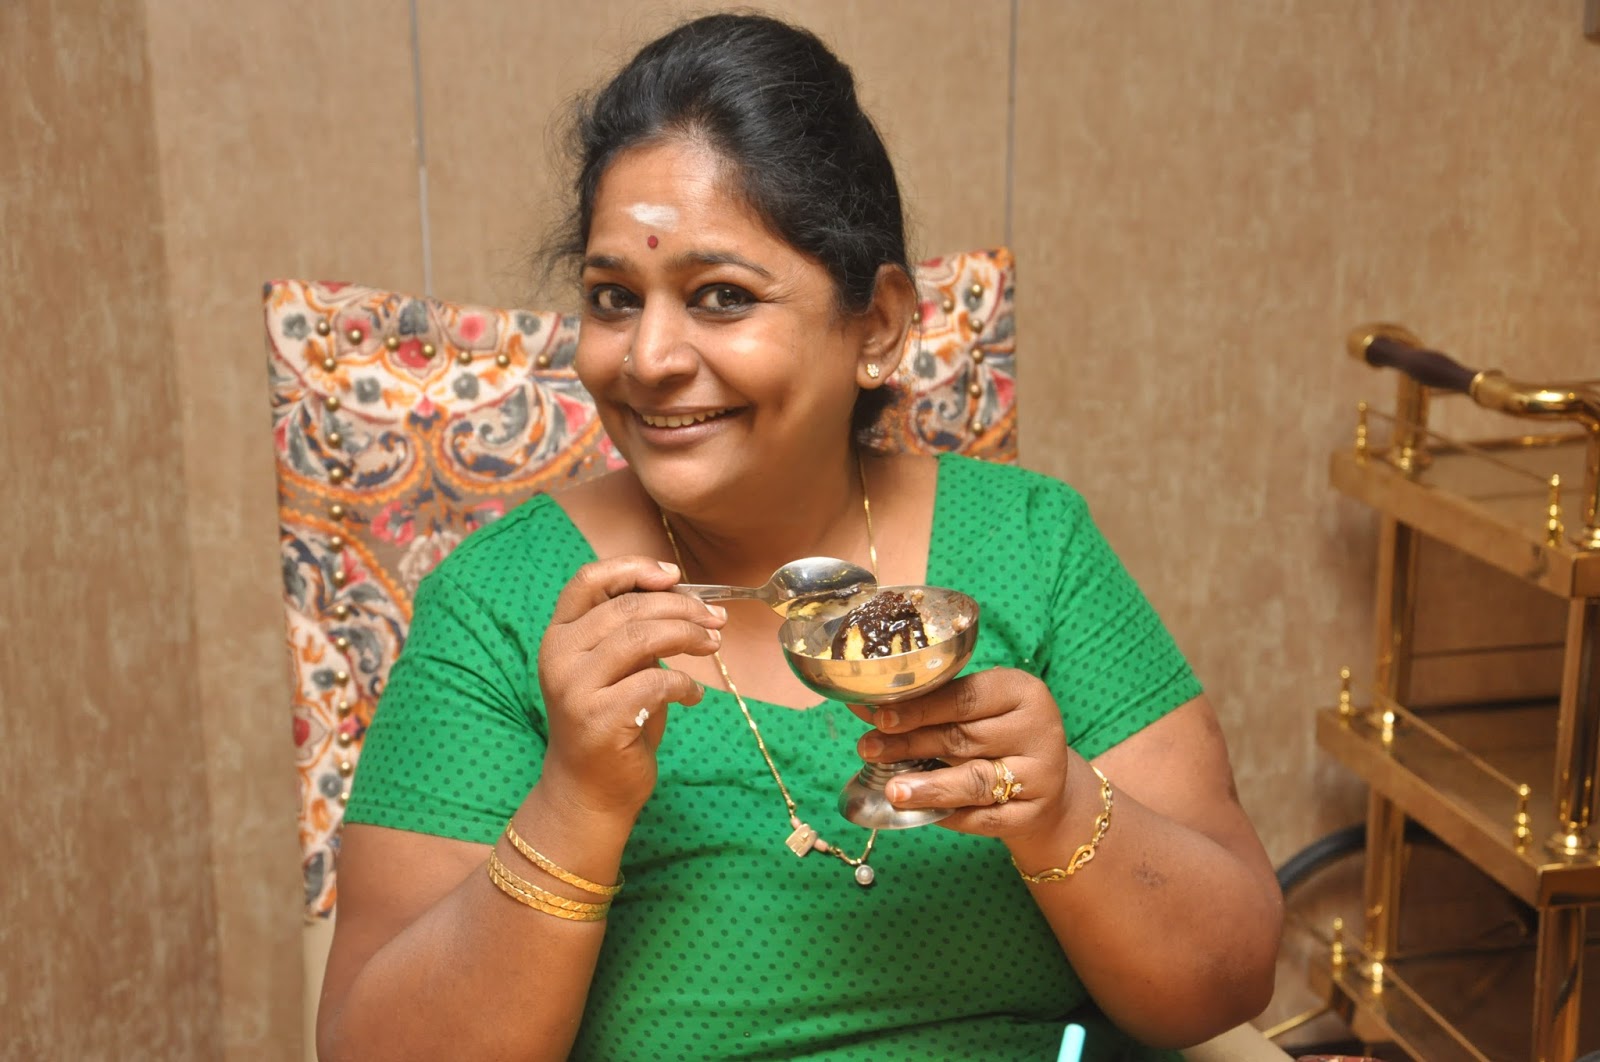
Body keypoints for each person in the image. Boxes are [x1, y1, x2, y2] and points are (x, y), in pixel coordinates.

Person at [317, 12, 1283, 1062]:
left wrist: (1062, 810)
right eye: (612, 298)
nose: (647, 358)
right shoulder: (503, 607)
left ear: (878, 326)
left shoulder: (1028, 544)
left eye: (721, 298)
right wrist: (576, 802)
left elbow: (1229, 976)